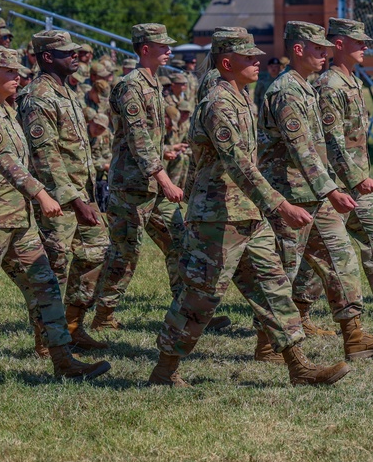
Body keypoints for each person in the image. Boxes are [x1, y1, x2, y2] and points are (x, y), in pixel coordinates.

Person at [150, 30, 351, 388]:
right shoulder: (218, 104)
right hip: (217, 219)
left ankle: (299, 367)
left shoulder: (242, 99)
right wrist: (281, 204)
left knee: (273, 289)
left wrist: (268, 208)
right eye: (249, 58)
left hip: (247, 215)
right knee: (199, 299)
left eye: (258, 57)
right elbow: (239, 164)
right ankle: (164, 370)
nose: (258, 63)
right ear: (227, 63)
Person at [0, 45, 110, 386]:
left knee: (45, 289)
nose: (18, 77)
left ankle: (63, 361)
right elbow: (8, 162)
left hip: (18, 219)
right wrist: (42, 194)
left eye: (20, 72)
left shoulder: (6, 111)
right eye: (10, 72)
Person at [259, 21, 373, 361]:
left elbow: (318, 149)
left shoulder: (305, 88)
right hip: (290, 194)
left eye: (325, 47)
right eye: (317, 48)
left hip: (317, 194)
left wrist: (329, 189)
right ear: (298, 49)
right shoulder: (286, 91)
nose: (325, 53)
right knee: (284, 272)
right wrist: (334, 188)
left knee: (342, 261)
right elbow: (301, 150)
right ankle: (266, 345)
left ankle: (354, 337)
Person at [91, 23, 189, 331]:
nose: (169, 50)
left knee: (180, 242)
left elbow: (149, 138)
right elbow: (137, 139)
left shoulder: (152, 83)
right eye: (163, 46)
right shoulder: (131, 86)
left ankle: (187, 312)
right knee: (125, 253)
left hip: (152, 185)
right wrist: (167, 181)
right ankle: (103, 315)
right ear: (145, 49)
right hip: (132, 185)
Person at [19, 30, 109, 352]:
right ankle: (46, 340)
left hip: (82, 194)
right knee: (53, 268)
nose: (75, 55)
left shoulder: (66, 92)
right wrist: (73, 200)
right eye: (66, 52)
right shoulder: (38, 97)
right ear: (46, 57)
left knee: (97, 253)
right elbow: (46, 157)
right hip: (57, 199)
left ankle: (72, 325)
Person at [316, 19, 373, 341]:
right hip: (341, 182)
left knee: (371, 243)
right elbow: (331, 138)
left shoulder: (353, 82)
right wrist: (355, 177)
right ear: (338, 45)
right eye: (357, 41)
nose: (365, 46)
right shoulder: (331, 85)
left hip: (355, 179)